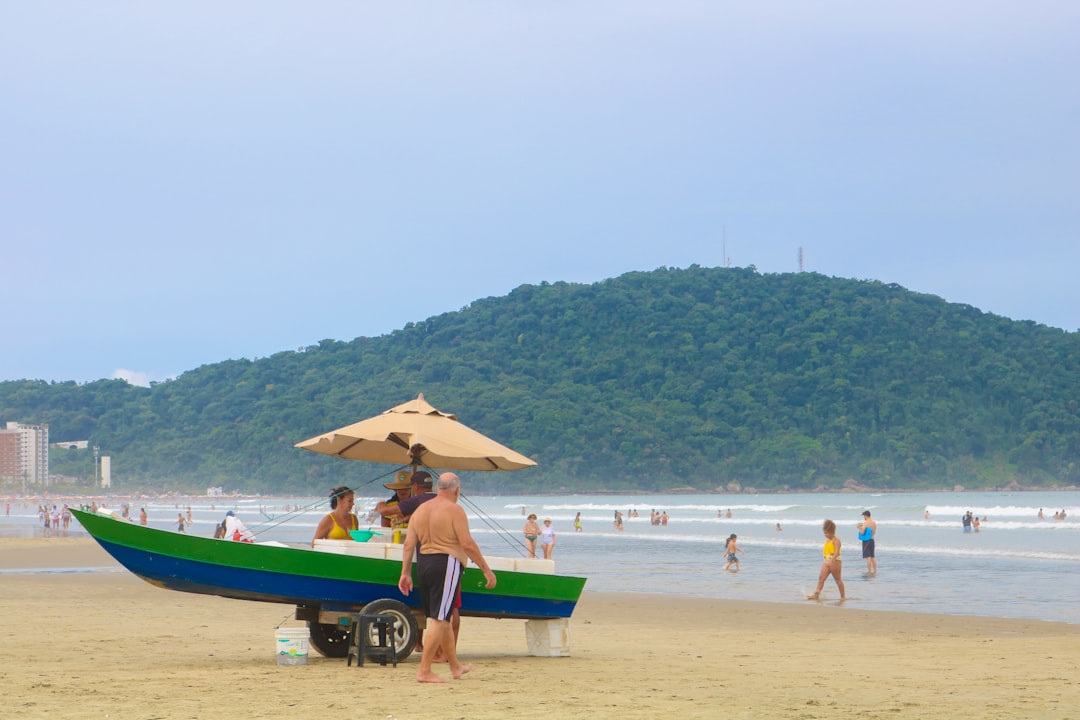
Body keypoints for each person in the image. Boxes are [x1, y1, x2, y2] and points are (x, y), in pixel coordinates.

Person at [398, 472, 496, 683]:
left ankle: (455, 666)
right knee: (440, 618)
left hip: (424, 564)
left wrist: (405, 573)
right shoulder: (455, 510)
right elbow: (467, 543)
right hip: (447, 563)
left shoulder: (420, 510)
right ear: (457, 490)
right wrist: (486, 570)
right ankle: (424, 671)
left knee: (443, 616)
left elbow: (408, 544)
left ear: (438, 488)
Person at [807, 519, 845, 601]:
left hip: (835, 561)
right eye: (824, 533)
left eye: (826, 533)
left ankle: (843, 597)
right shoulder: (827, 541)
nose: (825, 534)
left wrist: (832, 560)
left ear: (832, 531)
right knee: (821, 578)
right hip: (826, 561)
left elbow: (837, 552)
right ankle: (816, 594)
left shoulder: (836, 540)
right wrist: (827, 561)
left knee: (838, 580)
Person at [857, 510, 877, 574]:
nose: (864, 517)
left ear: (866, 515)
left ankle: (869, 571)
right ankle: (875, 571)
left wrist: (859, 528)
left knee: (868, 556)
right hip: (872, 540)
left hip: (866, 541)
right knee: (872, 556)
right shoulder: (874, 523)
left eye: (864, 516)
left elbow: (862, 533)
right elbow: (874, 533)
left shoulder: (865, 523)